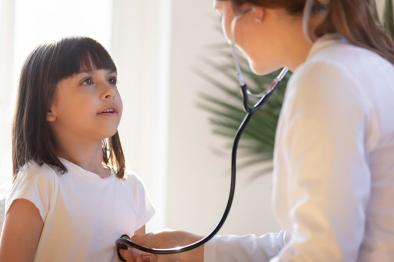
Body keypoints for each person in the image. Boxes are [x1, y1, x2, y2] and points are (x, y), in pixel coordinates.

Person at [125, 0, 394, 261]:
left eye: (221, 13)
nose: (227, 33)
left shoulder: (324, 77)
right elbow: (302, 240)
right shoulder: (368, 68)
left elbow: (323, 252)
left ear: (253, 11)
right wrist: (199, 251)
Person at [0, 37, 155, 262]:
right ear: (48, 107)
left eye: (111, 79)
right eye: (88, 81)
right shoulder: (40, 183)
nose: (109, 91)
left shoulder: (133, 190)